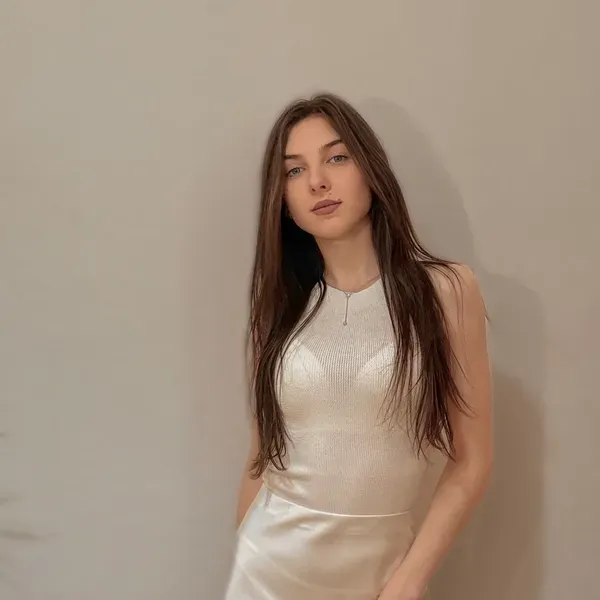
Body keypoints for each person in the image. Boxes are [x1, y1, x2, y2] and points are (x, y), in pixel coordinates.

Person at [224, 93, 493, 600]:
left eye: (337, 158)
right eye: (294, 171)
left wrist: (408, 583)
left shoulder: (446, 291)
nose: (317, 182)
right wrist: (242, 551)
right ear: (282, 200)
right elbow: (261, 459)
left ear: (370, 169)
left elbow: (472, 459)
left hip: (383, 574)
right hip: (268, 570)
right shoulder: (277, 312)